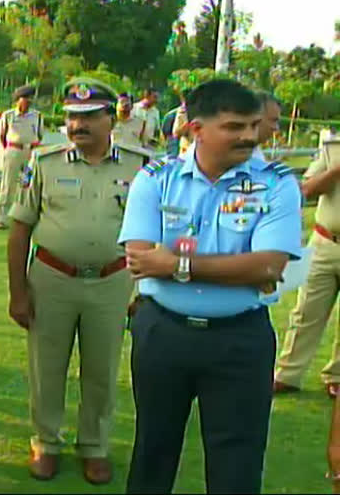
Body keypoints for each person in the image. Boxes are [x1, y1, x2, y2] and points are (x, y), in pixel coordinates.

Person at [118, 79, 302, 494]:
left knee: (237, 459)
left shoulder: (276, 183)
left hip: (239, 338)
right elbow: (140, 259)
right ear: (197, 129)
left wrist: (176, 264)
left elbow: (269, 266)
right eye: (235, 127)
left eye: (254, 125)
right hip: (163, 332)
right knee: (153, 449)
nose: (250, 136)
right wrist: (233, 266)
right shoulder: (156, 178)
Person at [7, 77, 148, 484]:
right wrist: (18, 292)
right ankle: (46, 442)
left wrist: (143, 288)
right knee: (46, 367)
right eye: (71, 117)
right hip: (52, 279)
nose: (77, 126)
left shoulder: (139, 166)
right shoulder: (45, 162)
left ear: (111, 119)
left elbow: (155, 232)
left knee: (102, 370)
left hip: (111, 281)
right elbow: (20, 230)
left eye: (88, 117)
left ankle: (94, 446)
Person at [273, 95, 340, 398]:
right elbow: (308, 189)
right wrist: (336, 170)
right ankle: (287, 374)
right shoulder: (333, 148)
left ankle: (336, 376)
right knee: (305, 312)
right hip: (326, 242)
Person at [0, 85, 44, 229]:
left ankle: (27, 217)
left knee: (28, 184)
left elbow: (40, 135)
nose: (27, 103)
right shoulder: (8, 115)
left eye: (30, 100)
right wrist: (6, 152)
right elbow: (2, 136)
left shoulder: (37, 116)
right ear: (18, 100)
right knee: (8, 185)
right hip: (14, 151)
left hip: (30, 152)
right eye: (25, 100)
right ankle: (1, 217)